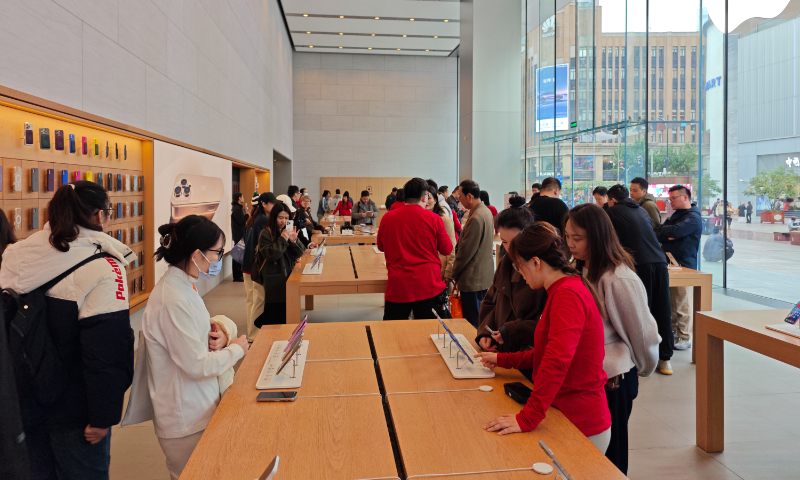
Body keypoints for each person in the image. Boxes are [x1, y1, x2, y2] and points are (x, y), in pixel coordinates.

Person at [0, 181, 135, 479]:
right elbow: (106, 350)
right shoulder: (103, 267)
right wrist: (103, 415)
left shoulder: (17, 254)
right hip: (75, 412)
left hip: (25, 402)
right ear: (99, 215)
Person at [473, 222, 611, 454]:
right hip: (562, 411)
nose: (520, 274)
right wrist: (504, 360)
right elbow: (547, 352)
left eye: (520, 267)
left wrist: (528, 417)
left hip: (580, 422)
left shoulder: (567, 295)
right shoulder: (560, 289)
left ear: (536, 262)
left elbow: (556, 361)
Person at [137, 215, 248, 480]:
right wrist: (236, 349)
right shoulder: (173, 298)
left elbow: (195, 332)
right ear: (197, 255)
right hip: (186, 416)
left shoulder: (183, 287)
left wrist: (220, 334)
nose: (220, 258)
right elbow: (197, 364)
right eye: (217, 252)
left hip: (197, 405)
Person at [564, 204, 660, 473]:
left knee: (611, 459)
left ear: (597, 236)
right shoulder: (578, 270)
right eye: (567, 236)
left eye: (577, 238)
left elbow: (643, 333)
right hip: (589, 377)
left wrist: (643, 367)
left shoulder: (618, 278)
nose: (570, 244)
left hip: (614, 380)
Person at [606, 184, 674, 375]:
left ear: (612, 200)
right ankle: (665, 359)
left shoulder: (612, 213)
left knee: (641, 311)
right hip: (660, 261)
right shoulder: (641, 211)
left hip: (639, 264)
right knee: (663, 308)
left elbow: (609, 241)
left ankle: (641, 359)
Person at [475, 205, 546, 382]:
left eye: (514, 242)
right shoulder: (505, 263)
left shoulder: (543, 270)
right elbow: (491, 300)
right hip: (501, 355)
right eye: (504, 242)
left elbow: (547, 324)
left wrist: (512, 330)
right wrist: (485, 334)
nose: (509, 248)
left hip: (528, 358)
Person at [377, 178, 452, 320]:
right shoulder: (434, 219)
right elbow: (447, 249)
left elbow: (381, 247)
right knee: (427, 330)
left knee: (393, 330)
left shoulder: (387, 217)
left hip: (399, 283)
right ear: (424, 197)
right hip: (427, 284)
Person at [658, 185, 703, 351]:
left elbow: (676, 231)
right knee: (670, 302)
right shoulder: (677, 215)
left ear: (685, 197)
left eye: (673, 198)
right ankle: (673, 333)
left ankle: (684, 336)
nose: (670, 202)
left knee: (682, 303)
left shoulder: (693, 217)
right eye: (669, 199)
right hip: (669, 264)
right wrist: (668, 233)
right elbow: (658, 232)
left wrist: (669, 232)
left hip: (684, 265)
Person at [448, 180, 495, 328]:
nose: (459, 200)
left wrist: (453, 272)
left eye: (460, 196)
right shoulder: (485, 211)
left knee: (472, 321)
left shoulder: (476, 217)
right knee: (478, 316)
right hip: (482, 275)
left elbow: (466, 252)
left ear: (469, 196)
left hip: (473, 277)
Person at [258, 202, 310, 325]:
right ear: (274, 217)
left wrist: (294, 241)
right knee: (274, 316)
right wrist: (283, 238)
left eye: (286, 218)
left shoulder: (286, 231)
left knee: (287, 313)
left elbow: (300, 252)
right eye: (280, 218)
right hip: (274, 279)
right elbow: (272, 255)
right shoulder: (266, 233)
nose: (283, 221)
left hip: (288, 276)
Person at [242, 192, 277, 342]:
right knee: (258, 300)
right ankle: (254, 335)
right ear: (264, 204)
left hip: (247, 263)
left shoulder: (253, 218)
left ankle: (251, 332)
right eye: (272, 204)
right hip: (255, 265)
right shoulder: (263, 219)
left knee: (251, 300)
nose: (274, 206)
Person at [424, 185, 456, 283]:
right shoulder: (420, 219)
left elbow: (452, 246)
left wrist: (449, 271)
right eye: (423, 197)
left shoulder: (444, 219)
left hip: (440, 268)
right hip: (425, 269)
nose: (425, 201)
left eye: (429, 198)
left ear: (435, 200)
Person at [230, 192, 249, 282]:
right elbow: (241, 221)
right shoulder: (237, 209)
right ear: (239, 198)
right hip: (239, 235)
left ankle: (238, 274)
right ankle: (237, 276)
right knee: (237, 256)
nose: (243, 198)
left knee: (239, 255)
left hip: (238, 234)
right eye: (242, 197)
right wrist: (247, 215)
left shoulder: (237, 208)